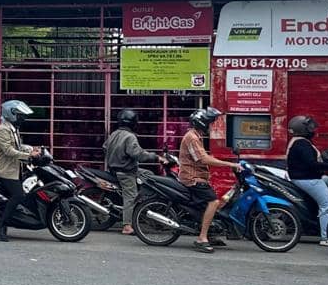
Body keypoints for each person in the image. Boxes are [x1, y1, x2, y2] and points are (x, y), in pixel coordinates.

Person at [177, 107, 240, 253]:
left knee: (218, 202)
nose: (210, 126)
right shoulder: (192, 137)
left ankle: (209, 232)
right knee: (214, 202)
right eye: (209, 123)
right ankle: (202, 237)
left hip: (199, 177)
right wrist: (230, 164)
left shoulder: (196, 136)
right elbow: (203, 158)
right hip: (193, 178)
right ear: (202, 123)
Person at [103, 108, 164, 236]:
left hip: (116, 169)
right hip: (125, 172)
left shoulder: (114, 134)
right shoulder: (130, 137)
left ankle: (143, 203)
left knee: (149, 175)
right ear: (134, 123)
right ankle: (127, 226)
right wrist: (156, 157)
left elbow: (104, 147)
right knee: (130, 196)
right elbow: (138, 154)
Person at [285, 115, 328, 247]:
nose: (313, 130)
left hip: (305, 177)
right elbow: (312, 164)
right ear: (302, 129)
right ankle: (326, 237)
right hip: (308, 179)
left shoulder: (299, 142)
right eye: (309, 127)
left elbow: (313, 159)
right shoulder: (302, 144)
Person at [0, 99, 41, 242]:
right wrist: (29, 155)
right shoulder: (3, 130)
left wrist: (32, 148)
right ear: (11, 114)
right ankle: (1, 225)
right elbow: (9, 151)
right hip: (4, 170)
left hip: (13, 169)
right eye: (20, 115)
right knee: (18, 196)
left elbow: (18, 145)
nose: (22, 118)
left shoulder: (13, 128)